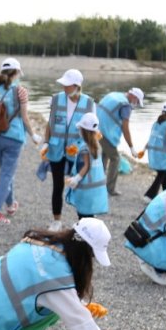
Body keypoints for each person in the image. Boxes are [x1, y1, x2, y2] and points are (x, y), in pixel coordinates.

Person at [0, 219, 139, 330]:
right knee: (56, 305)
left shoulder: (45, 241)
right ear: (84, 251)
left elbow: (38, 285)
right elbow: (79, 319)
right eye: (92, 255)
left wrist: (83, 305)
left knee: (55, 299)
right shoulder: (56, 276)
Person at [0, 58, 42, 225]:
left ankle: (10, 204)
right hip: (13, 138)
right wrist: (33, 135)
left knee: (6, 172)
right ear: (17, 72)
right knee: (6, 174)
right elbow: (24, 117)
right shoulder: (20, 91)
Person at [42, 69, 96, 231]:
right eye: (63, 84)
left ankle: (84, 222)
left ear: (77, 86)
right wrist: (45, 143)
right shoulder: (56, 99)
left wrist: (87, 149)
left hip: (77, 151)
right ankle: (57, 220)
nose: (64, 88)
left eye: (67, 85)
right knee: (57, 185)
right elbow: (50, 123)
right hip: (56, 148)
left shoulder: (89, 103)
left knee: (80, 186)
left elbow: (93, 130)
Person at [95, 87, 144, 196]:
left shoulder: (115, 94)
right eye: (136, 101)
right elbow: (125, 128)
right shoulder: (125, 105)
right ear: (134, 96)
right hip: (105, 132)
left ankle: (97, 183)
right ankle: (110, 189)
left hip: (97, 127)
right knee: (115, 159)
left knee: (104, 155)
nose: (135, 104)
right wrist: (131, 147)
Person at [65, 113, 109, 219]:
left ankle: (82, 235)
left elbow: (86, 166)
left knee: (83, 217)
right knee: (90, 217)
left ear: (83, 131)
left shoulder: (85, 148)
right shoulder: (96, 145)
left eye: (80, 129)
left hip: (85, 191)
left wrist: (76, 179)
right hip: (96, 191)